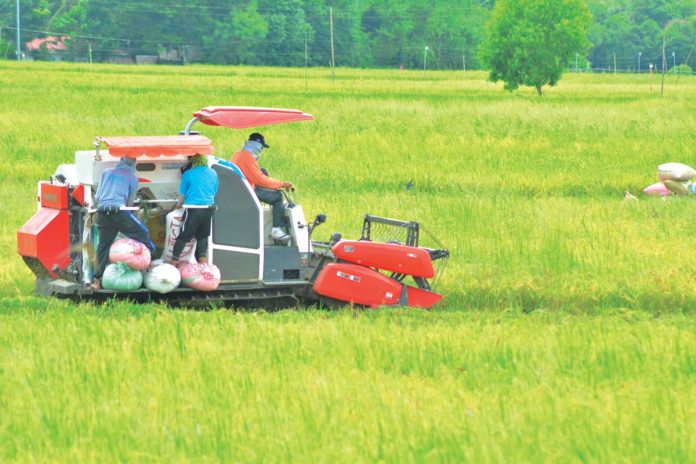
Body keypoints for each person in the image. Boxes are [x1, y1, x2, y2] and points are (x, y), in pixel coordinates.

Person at [93, 156, 155, 290]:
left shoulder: (106, 172)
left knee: (103, 246)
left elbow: (97, 197)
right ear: (133, 163)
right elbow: (129, 203)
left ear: (120, 160)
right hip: (119, 212)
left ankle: (96, 281)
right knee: (142, 232)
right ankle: (150, 263)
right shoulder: (132, 178)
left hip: (103, 213)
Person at [231, 133, 293, 241]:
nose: (261, 149)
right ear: (256, 144)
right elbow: (260, 179)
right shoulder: (247, 158)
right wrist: (281, 184)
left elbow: (257, 175)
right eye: (261, 147)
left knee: (263, 171)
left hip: (240, 189)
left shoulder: (237, 154)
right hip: (248, 192)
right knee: (277, 197)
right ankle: (276, 230)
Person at [167, 154, 218, 266]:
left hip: (193, 209)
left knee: (183, 236)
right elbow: (214, 191)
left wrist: (178, 206)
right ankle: (202, 263)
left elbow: (182, 195)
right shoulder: (213, 173)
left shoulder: (188, 174)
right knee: (203, 236)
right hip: (208, 208)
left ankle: (173, 262)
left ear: (193, 162)